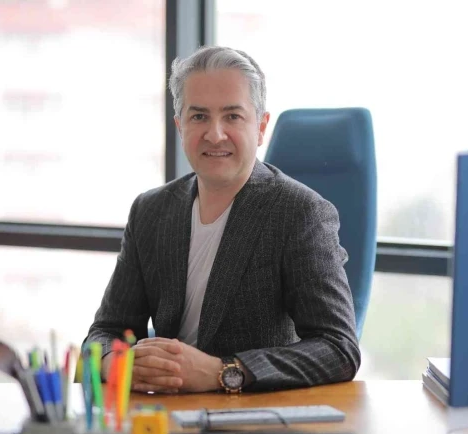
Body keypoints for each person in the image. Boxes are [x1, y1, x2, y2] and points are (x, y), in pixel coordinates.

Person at [83, 46, 360, 393]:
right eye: (199, 116)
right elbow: (106, 330)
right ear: (180, 126)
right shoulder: (150, 211)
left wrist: (224, 371)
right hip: (165, 408)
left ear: (260, 127)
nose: (215, 134)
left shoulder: (299, 213)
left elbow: (338, 348)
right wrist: (115, 363)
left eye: (232, 116)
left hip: (251, 411)